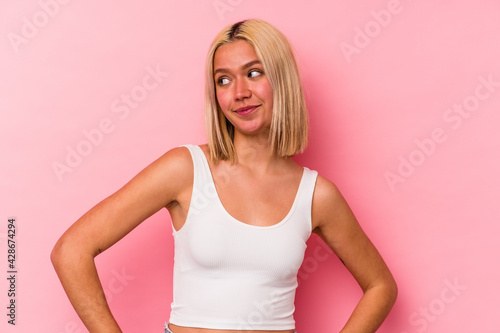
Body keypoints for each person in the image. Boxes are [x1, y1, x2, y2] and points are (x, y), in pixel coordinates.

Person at [51, 19, 397, 333]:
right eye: (224, 80)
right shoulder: (185, 169)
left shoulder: (316, 195)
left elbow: (381, 287)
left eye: (254, 73)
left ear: (282, 79)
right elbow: (71, 251)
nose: (239, 93)